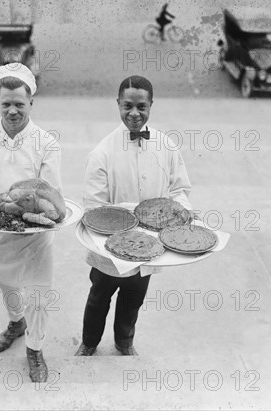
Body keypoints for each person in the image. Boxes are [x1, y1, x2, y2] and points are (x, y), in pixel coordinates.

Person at [75, 75, 193, 357]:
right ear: (117, 104)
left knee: (134, 297)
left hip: (152, 246)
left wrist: (182, 213)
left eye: (142, 106)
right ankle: (89, 342)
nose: (134, 113)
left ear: (151, 105)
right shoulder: (102, 153)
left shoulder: (166, 146)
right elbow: (94, 207)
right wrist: (120, 238)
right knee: (99, 296)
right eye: (127, 105)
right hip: (108, 247)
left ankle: (124, 341)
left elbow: (178, 189)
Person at [0, 63, 62, 383]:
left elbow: (49, 192)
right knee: (6, 283)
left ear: (31, 103)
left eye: (19, 104)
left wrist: (20, 205)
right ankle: (15, 323)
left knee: (37, 293)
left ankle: (35, 349)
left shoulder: (47, 143)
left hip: (34, 233)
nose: (12, 111)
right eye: (6, 103)